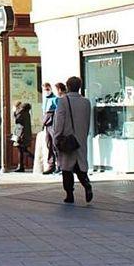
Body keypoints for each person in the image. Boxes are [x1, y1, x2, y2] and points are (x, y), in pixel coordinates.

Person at [50, 76, 92, 204]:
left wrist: (56, 137)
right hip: (80, 139)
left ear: (68, 86)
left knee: (67, 169)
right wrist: (83, 135)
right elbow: (87, 121)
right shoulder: (86, 102)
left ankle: (69, 194)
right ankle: (87, 185)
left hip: (67, 139)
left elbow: (59, 121)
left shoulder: (63, 101)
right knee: (80, 167)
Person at [42, 81, 64, 174]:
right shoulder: (45, 99)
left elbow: (58, 112)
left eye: (48, 89)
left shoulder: (55, 99)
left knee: (55, 145)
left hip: (53, 123)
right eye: (44, 89)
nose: (46, 91)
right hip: (47, 124)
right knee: (49, 145)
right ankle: (51, 165)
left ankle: (59, 165)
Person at [12, 102, 34, 172]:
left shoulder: (22, 113)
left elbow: (16, 120)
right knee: (22, 150)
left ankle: (22, 166)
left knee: (22, 150)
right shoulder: (27, 113)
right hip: (24, 134)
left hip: (20, 134)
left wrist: (14, 112)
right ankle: (21, 166)